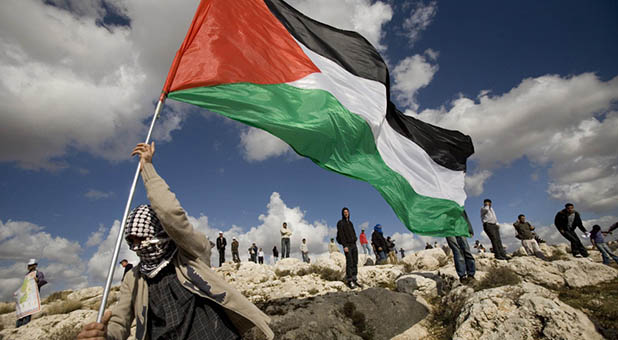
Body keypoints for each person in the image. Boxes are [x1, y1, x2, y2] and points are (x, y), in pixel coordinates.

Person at [77, 142, 273, 340]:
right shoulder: (134, 278)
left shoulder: (189, 255)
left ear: (160, 231)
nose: (139, 247)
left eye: (143, 238)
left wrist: (148, 168)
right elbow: (120, 321)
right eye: (132, 242)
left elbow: (171, 214)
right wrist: (104, 335)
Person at [16, 259, 47, 328]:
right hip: (25, 296)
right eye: (29, 265)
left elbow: (43, 281)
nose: (29, 267)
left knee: (28, 311)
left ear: (35, 265)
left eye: (30, 265)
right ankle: (18, 327)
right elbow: (25, 286)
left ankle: (25, 326)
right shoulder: (27, 275)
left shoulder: (38, 273)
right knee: (22, 311)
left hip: (32, 295)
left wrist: (38, 280)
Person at [337, 207, 362, 289]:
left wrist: (355, 238)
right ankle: (349, 280)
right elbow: (341, 235)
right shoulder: (340, 223)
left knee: (355, 261)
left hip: (354, 244)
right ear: (342, 213)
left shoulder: (350, 223)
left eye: (347, 212)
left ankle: (354, 279)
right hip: (347, 245)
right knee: (350, 262)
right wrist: (344, 246)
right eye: (344, 212)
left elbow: (353, 232)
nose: (346, 213)